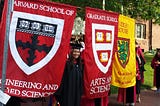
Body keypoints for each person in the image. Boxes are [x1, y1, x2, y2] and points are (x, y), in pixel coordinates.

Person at [54, 41, 83, 106]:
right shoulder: (67, 64)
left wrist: (80, 91)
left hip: (76, 92)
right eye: (75, 51)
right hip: (68, 91)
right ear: (71, 52)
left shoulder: (79, 65)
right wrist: (59, 92)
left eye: (78, 52)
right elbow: (63, 79)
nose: (76, 53)